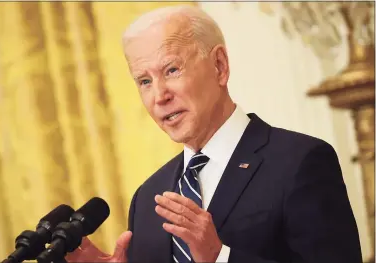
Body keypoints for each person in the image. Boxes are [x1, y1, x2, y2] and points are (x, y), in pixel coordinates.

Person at [66, 5, 362, 263]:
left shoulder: (299, 162)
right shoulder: (147, 199)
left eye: (171, 70)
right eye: (144, 81)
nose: (159, 95)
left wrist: (220, 257)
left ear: (219, 66)